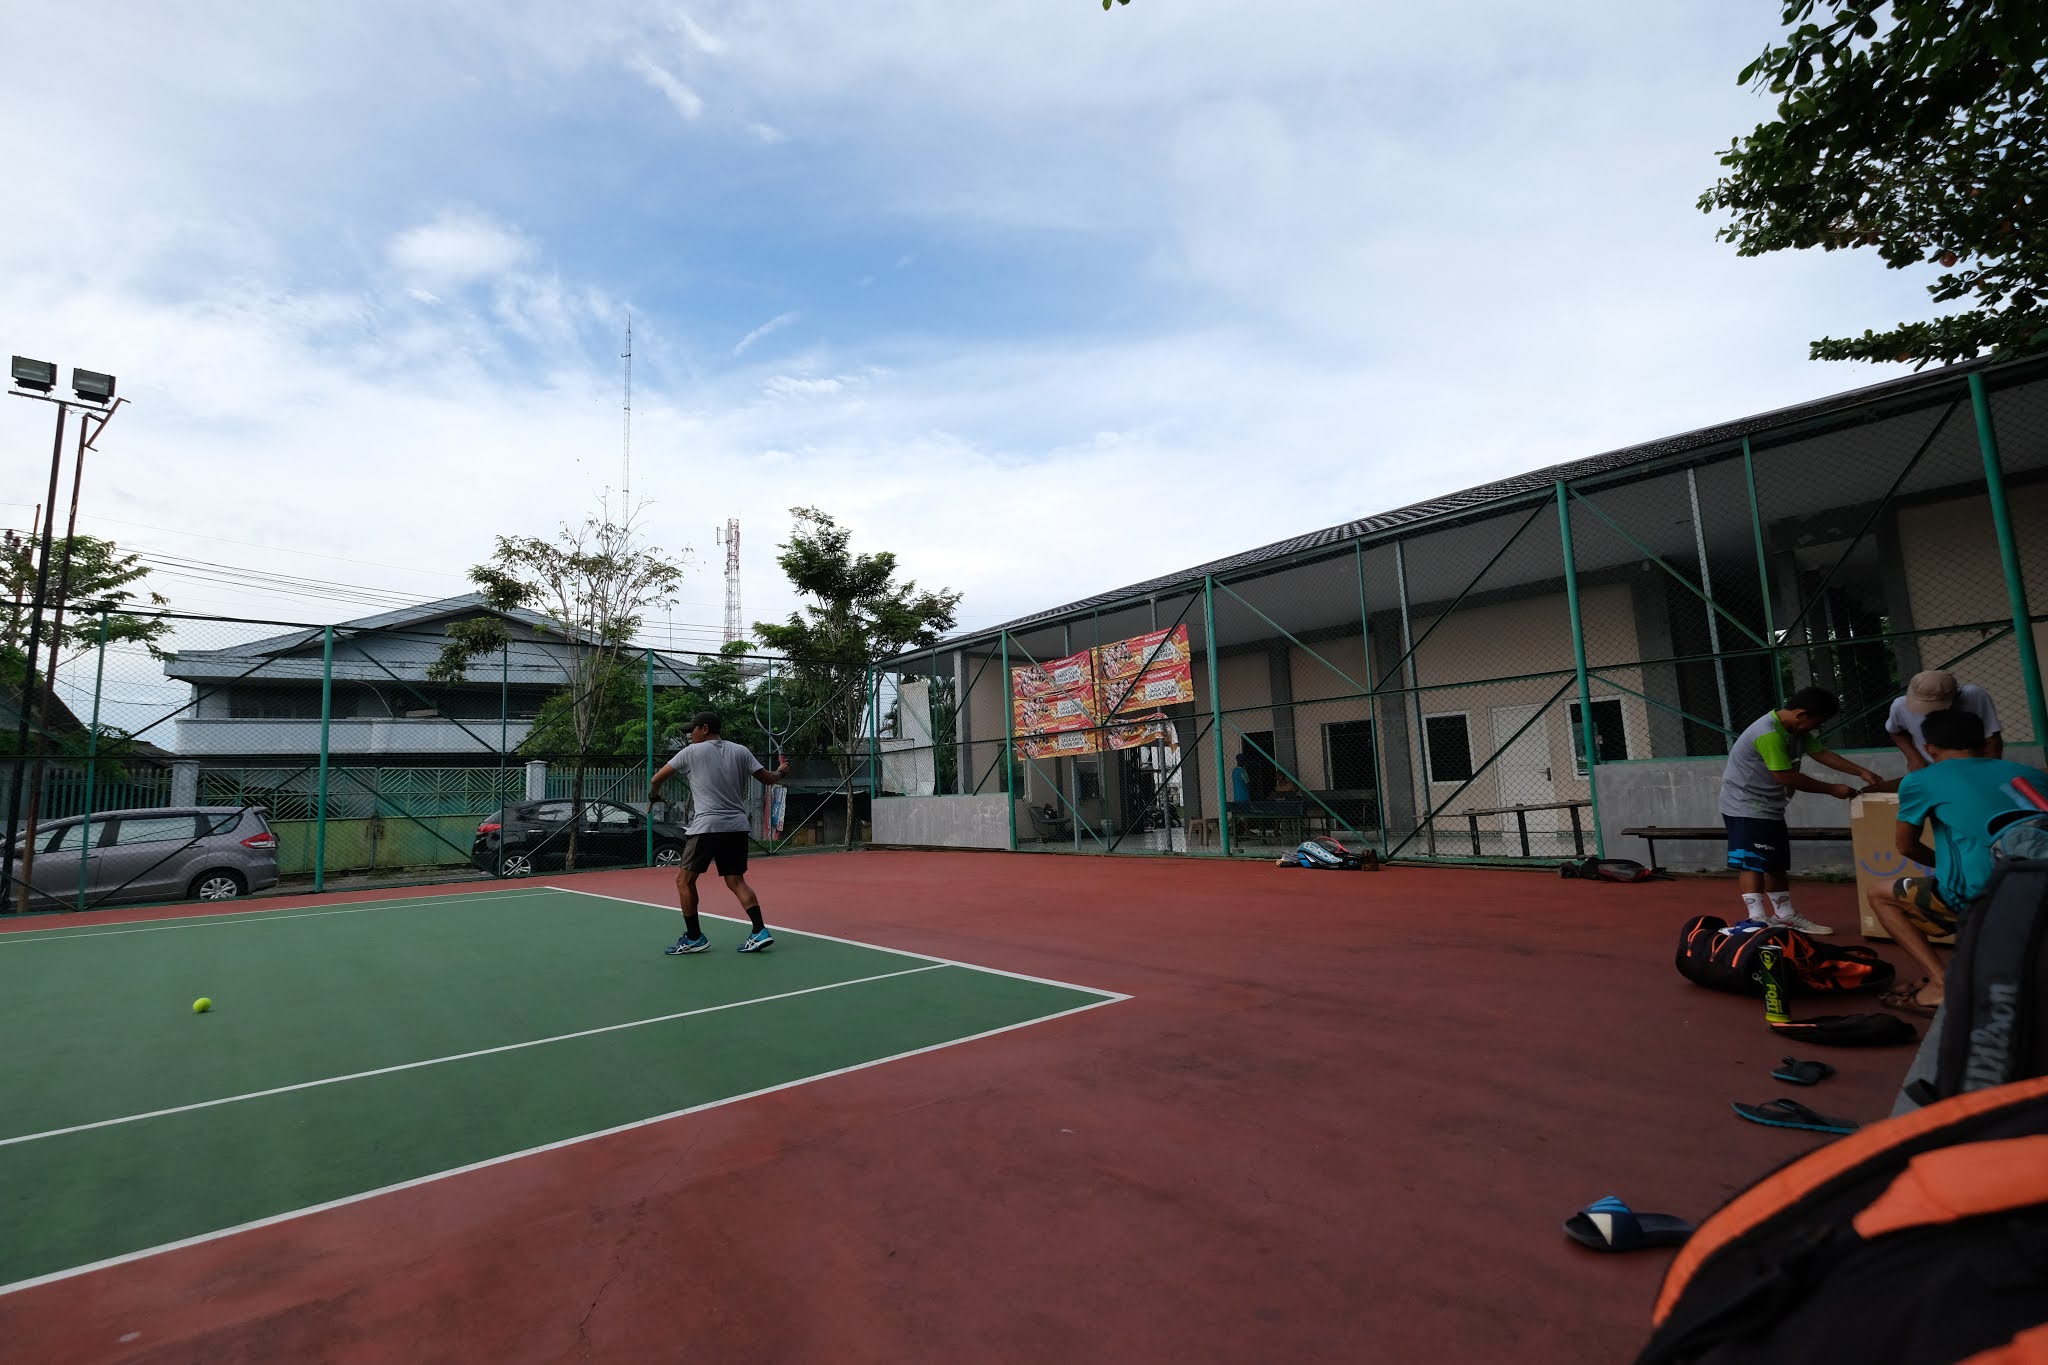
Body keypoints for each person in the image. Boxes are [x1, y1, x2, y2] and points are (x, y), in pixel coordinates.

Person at [1865, 708, 2047, 1013]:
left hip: (1986, 895)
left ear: (1930, 747)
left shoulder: (1921, 780)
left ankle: (1942, 986)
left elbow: (1906, 847)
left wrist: (1944, 865)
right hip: (2039, 887)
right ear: (1982, 741)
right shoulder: (2031, 775)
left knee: (1880, 894)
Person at [1718, 687, 1882, 935]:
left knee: (1775, 862)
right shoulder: (1768, 734)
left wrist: (1860, 772)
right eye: (1817, 722)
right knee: (1751, 861)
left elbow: (1821, 753)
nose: (1816, 728)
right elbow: (1785, 776)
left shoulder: (1794, 729)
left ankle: (1785, 916)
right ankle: (1756, 920)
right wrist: (1831, 788)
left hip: (1770, 806)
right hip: (1745, 806)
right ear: (1802, 714)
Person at [648, 710, 789, 954]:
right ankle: (759, 931)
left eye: (691, 730)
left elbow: (656, 778)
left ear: (704, 728)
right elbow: (768, 779)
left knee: (684, 880)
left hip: (708, 827)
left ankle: (694, 937)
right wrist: (781, 772)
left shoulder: (691, 752)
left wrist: (654, 796)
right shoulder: (741, 751)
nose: (689, 735)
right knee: (736, 881)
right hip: (736, 826)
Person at [1886, 670, 2003, 769]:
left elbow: (1992, 738)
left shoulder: (1975, 695)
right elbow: (1895, 732)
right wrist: (1913, 757)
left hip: (1974, 765)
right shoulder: (1900, 706)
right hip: (1931, 769)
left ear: (1955, 695)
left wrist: (1989, 769)